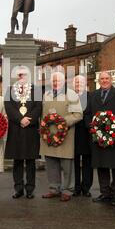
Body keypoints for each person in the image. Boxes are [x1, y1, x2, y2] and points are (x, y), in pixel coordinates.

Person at [85, 71, 115, 206]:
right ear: (99, 81)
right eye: (102, 79)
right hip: (98, 136)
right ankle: (105, 193)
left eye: (106, 78)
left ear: (111, 80)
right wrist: (91, 125)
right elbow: (87, 113)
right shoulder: (93, 95)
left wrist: (113, 120)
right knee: (101, 165)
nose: (104, 81)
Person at [40, 71, 82, 202]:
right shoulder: (46, 94)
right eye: (53, 81)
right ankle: (54, 189)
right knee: (51, 163)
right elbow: (42, 115)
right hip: (49, 135)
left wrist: (62, 122)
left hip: (65, 134)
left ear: (63, 81)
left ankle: (67, 190)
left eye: (58, 80)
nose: (55, 83)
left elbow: (78, 114)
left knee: (67, 165)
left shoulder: (71, 94)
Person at [4, 66, 42, 199]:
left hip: (31, 130)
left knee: (31, 161)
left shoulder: (36, 90)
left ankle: (30, 189)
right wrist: (20, 119)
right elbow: (8, 107)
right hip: (16, 129)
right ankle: (18, 188)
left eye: (24, 74)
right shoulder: (10, 90)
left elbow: (38, 107)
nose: (21, 77)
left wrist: (28, 120)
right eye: (19, 75)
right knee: (18, 161)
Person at [72, 75, 93, 197]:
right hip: (72, 132)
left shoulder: (91, 96)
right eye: (76, 82)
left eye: (80, 82)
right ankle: (76, 187)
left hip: (87, 133)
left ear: (85, 84)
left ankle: (86, 187)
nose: (78, 84)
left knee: (87, 161)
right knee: (73, 161)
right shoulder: (68, 97)